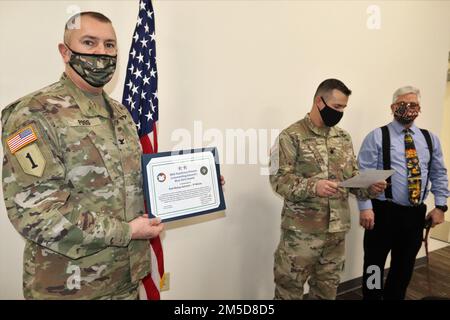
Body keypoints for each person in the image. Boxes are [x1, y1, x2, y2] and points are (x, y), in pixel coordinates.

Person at [1, 12, 164, 299]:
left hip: (124, 281)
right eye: (89, 43)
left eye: (110, 45)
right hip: (70, 287)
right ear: (65, 52)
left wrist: (188, 185)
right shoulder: (33, 114)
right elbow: (38, 213)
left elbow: (131, 184)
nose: (101, 52)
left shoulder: (119, 113)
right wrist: (126, 232)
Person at [269, 79, 386, 300]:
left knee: (326, 291)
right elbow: (278, 180)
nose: (340, 113)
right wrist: (314, 186)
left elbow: (351, 179)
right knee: (288, 292)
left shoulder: (342, 137)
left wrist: (369, 188)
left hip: (336, 235)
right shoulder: (290, 136)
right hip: (301, 236)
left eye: (343, 108)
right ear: (318, 101)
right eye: (336, 107)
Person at [358, 86, 449, 300]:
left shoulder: (429, 139)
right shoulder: (377, 136)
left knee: (404, 266)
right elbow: (363, 175)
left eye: (413, 105)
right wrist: (365, 208)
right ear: (392, 107)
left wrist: (441, 205)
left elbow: (439, 173)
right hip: (382, 212)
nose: (408, 109)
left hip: (415, 215)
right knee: (374, 264)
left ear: (419, 108)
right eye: (403, 104)